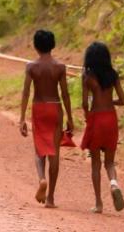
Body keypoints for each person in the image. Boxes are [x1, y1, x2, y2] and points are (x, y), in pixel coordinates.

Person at [19, 29, 75, 208]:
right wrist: (70, 118)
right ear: (53, 45)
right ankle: (50, 198)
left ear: (35, 45)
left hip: (39, 108)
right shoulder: (60, 67)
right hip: (55, 108)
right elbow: (65, 94)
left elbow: (26, 92)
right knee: (54, 152)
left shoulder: (31, 66)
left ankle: (42, 179)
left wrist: (22, 118)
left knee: (39, 150)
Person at [81, 41, 124, 213]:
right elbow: (123, 100)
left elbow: (85, 103)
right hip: (111, 119)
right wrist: (110, 101)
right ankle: (114, 184)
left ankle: (99, 203)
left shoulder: (87, 77)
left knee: (95, 163)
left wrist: (87, 116)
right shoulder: (113, 75)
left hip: (96, 118)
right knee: (109, 162)